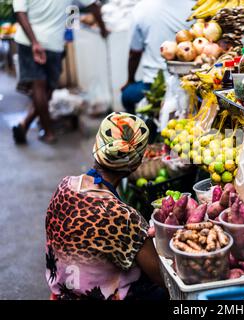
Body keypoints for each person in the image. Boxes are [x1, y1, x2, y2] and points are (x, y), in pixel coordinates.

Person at [45, 112, 168, 300]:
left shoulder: (65, 185)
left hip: (63, 294)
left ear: (97, 146)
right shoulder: (125, 217)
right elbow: (161, 277)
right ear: (136, 164)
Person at [12, 0, 108, 145]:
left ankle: (42, 130)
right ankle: (31, 126)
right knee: (47, 89)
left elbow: (19, 12)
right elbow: (93, 5)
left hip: (29, 42)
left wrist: (34, 42)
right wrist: (103, 29)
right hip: (53, 42)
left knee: (39, 87)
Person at [121, 0, 193, 114]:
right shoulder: (194, 8)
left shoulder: (142, 8)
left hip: (152, 86)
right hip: (190, 84)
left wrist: (130, 80)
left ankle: (136, 129)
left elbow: (134, 53)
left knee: (127, 95)